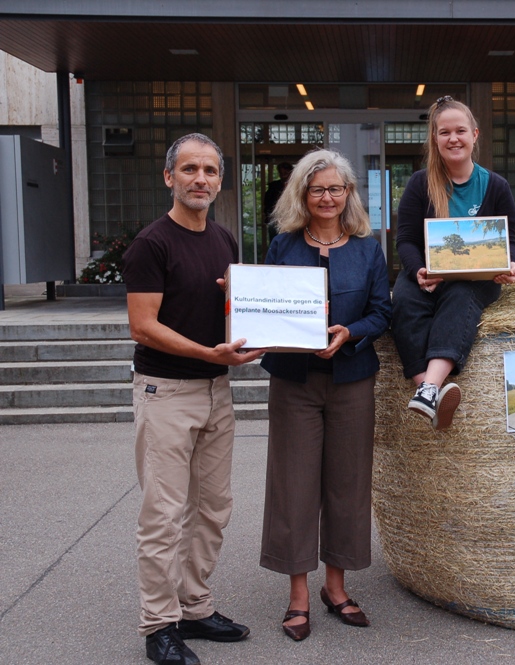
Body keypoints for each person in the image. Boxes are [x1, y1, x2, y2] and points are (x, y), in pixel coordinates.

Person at [123, 133, 265, 665]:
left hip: (215, 391)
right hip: (166, 392)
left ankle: (195, 606)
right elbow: (143, 326)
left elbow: (230, 307)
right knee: (163, 514)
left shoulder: (224, 240)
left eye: (209, 170)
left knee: (213, 508)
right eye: (189, 170)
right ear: (169, 178)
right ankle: (159, 625)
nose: (199, 179)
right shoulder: (152, 244)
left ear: (220, 181)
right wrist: (210, 353)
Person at [258, 149, 391, 640]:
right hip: (293, 381)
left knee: (347, 484)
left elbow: (383, 312)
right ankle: (297, 595)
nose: (328, 197)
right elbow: (266, 306)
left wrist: (350, 332)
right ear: (302, 194)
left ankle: (335, 588)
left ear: (349, 194)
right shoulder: (283, 245)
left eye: (337, 188)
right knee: (293, 485)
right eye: (318, 189)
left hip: (353, 379)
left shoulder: (367, 248)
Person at [392, 96, 515, 429]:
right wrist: (417, 270)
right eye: (445, 132)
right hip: (428, 274)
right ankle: (430, 392)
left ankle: (428, 389)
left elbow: (510, 242)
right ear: (435, 139)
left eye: (460, 131)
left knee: (460, 296)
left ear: (475, 135)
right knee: (403, 300)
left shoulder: (496, 186)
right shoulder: (420, 183)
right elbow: (405, 240)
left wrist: (511, 265)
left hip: (475, 281)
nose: (453, 139)